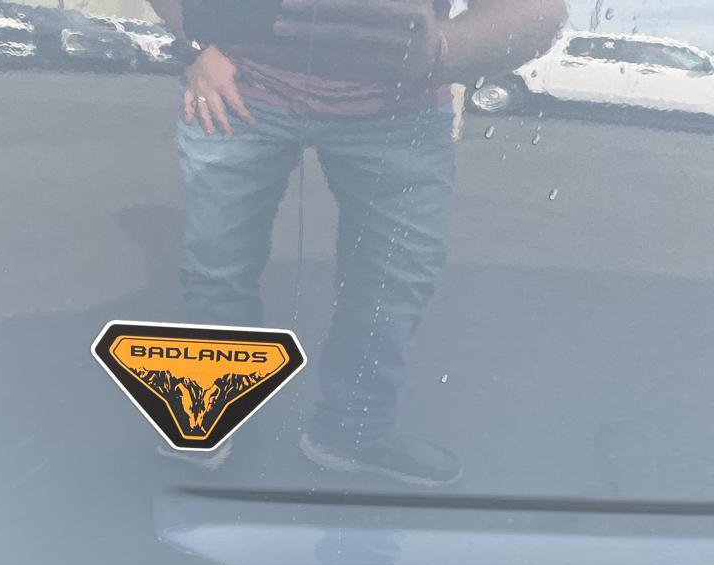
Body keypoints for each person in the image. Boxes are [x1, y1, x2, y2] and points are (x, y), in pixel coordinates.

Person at [150, 0, 567, 485]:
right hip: (241, 86)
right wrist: (198, 42)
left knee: (393, 282)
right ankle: (208, 413)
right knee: (217, 268)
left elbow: (534, 8)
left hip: (400, 101)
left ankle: (353, 431)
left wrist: (443, 51)